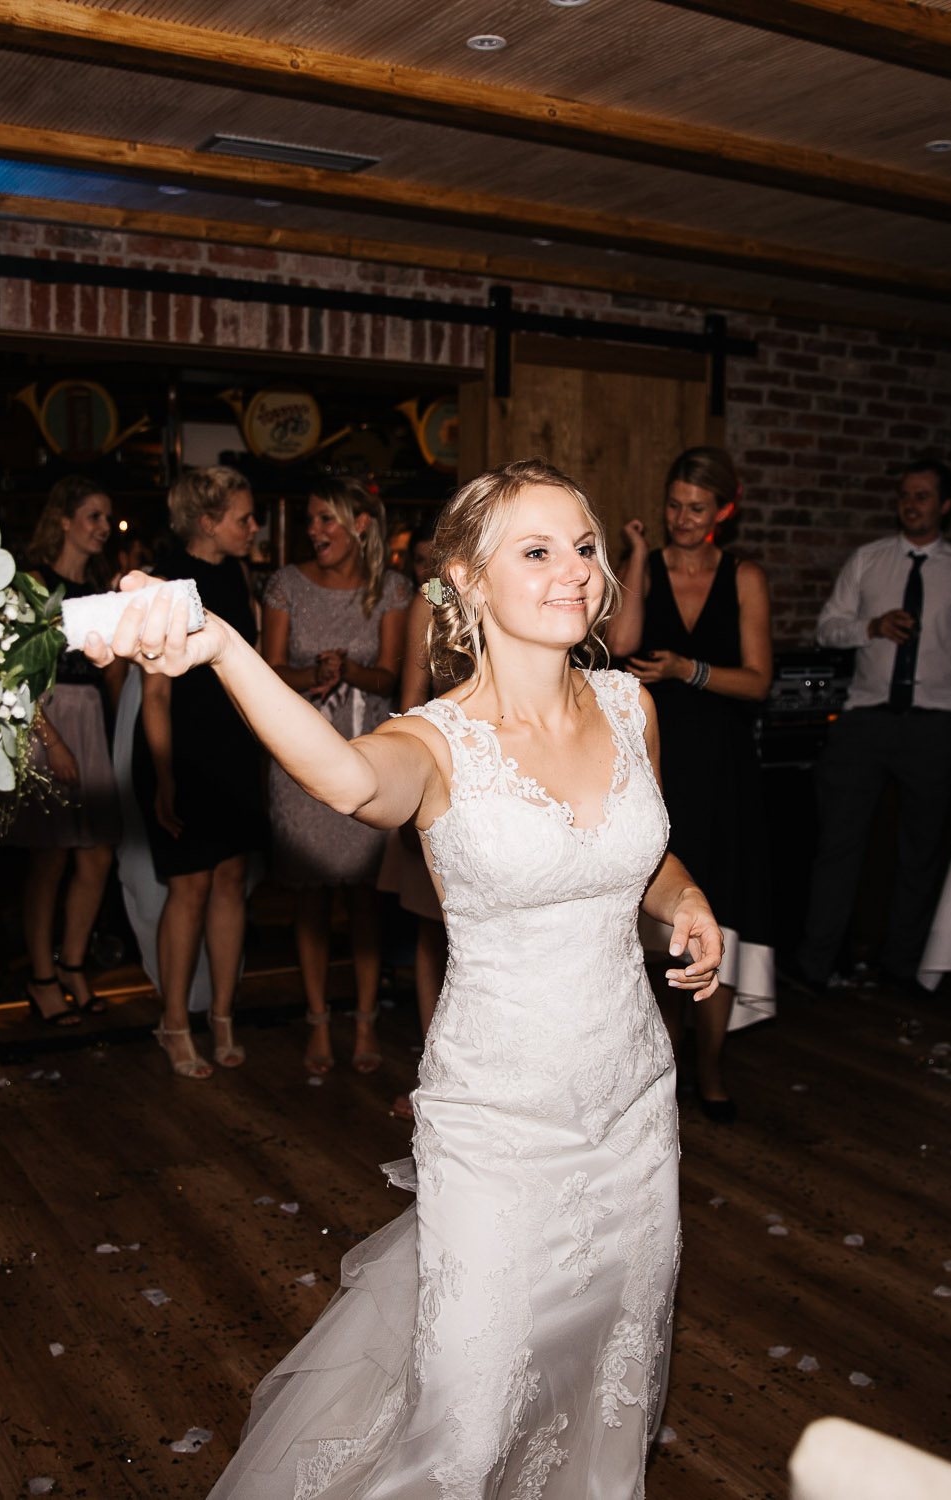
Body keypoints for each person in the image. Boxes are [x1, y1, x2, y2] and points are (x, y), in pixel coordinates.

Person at [82, 458, 722, 1498]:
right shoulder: (437, 743)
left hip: (635, 1110)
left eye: (587, 548)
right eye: (538, 551)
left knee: (604, 1377)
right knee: (464, 1426)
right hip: (498, 1121)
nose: (575, 572)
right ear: (466, 582)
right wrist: (226, 648)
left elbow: (641, 855)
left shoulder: (629, 707)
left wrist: (682, 899)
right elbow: (342, 779)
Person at [609, 445, 774, 1123]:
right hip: (656, 763)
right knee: (654, 921)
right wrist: (639, 557)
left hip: (725, 766)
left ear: (724, 511)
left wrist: (688, 671)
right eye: (674, 503)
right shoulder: (646, 565)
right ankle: (659, 1067)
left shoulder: (744, 576)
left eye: (697, 507)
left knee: (721, 912)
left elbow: (759, 681)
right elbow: (619, 644)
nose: (682, 516)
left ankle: (710, 1071)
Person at [796, 457, 951, 991]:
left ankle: (904, 967)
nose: (912, 504)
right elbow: (827, 629)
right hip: (866, 720)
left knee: (921, 855)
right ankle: (817, 966)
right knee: (837, 846)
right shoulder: (869, 560)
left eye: (924, 496)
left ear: (945, 505)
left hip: (933, 726)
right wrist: (872, 626)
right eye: (906, 495)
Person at [260, 478, 411, 1074]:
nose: (315, 531)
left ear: (360, 526)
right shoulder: (285, 585)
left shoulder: (393, 589)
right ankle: (319, 1022)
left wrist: (351, 668)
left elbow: (393, 679)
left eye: (326, 519)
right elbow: (267, 672)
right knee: (310, 899)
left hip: (369, 754)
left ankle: (367, 1022)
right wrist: (310, 673)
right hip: (298, 759)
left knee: (365, 899)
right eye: (311, 520)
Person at [134, 466, 265, 1078]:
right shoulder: (161, 584)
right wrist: (164, 778)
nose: (253, 527)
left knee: (231, 879)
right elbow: (154, 697)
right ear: (207, 521)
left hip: (234, 748)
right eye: (243, 517)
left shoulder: (238, 574)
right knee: (187, 886)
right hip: (181, 751)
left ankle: (223, 1017)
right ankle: (174, 1022)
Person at [5, 476, 126, 1028]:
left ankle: (74, 964)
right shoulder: (32, 582)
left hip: (92, 717)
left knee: (97, 854)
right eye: (93, 517)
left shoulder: (104, 588)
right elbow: (12, 673)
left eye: (106, 518)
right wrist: (50, 742)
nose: (103, 527)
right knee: (48, 859)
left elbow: (117, 674)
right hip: (45, 716)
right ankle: (41, 976)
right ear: (63, 519)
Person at [375, 517, 446, 1118]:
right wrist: (409, 795)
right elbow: (411, 699)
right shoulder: (431, 601)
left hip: (517, 777)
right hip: (443, 774)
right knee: (432, 928)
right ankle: (435, 1073)